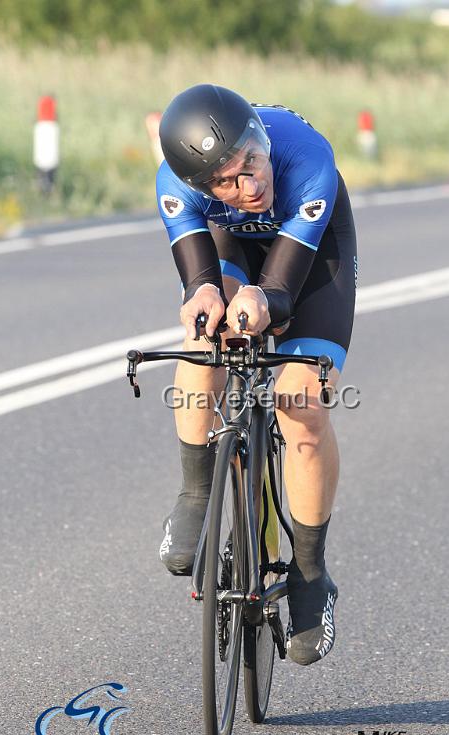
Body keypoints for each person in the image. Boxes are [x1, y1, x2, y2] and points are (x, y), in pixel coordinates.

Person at [156, 84, 357, 666]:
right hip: (228, 242)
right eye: (226, 180)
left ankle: (311, 573)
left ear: (260, 137)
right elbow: (197, 281)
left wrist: (261, 302)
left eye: (251, 160)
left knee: (302, 402)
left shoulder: (307, 162)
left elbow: (281, 290)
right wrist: (204, 298)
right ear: (198, 186)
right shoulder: (175, 184)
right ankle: (197, 492)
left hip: (310, 251)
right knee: (201, 338)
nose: (250, 184)